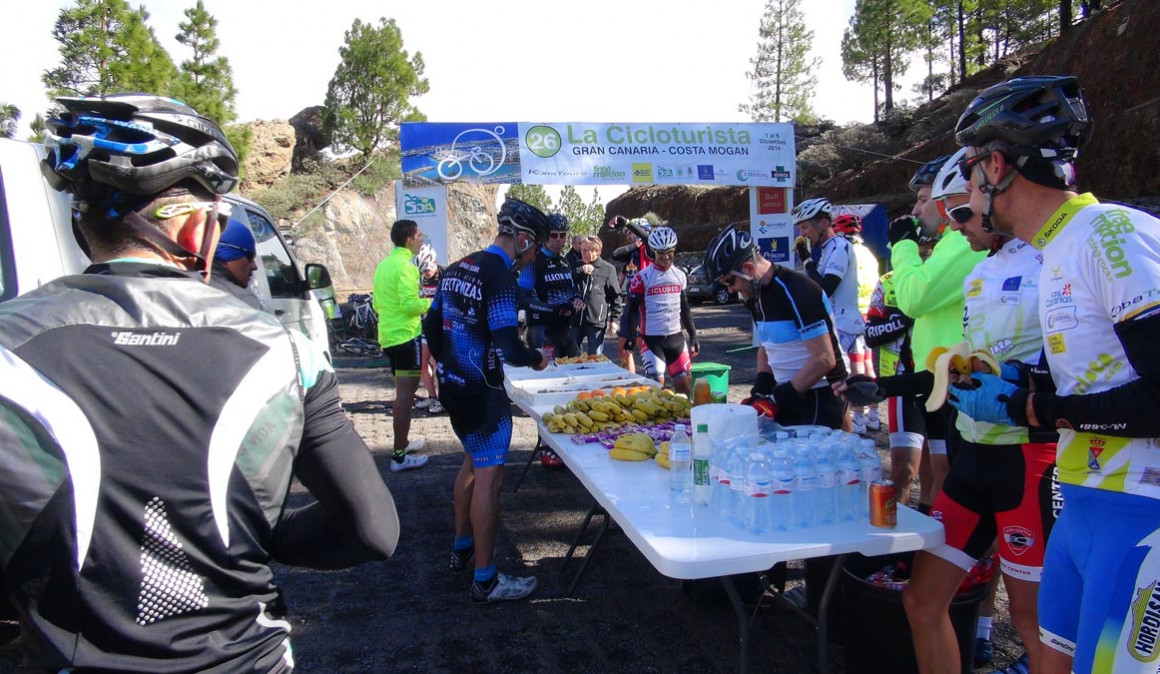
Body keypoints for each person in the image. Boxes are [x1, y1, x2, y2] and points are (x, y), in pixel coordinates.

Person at [0, 93, 399, 672]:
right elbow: (372, 530)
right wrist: (260, 532)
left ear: (83, 226)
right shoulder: (284, 350)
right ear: (194, 227)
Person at [943, 75, 1160, 674]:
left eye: (969, 172)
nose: (968, 192)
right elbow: (1101, 381)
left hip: (1138, 512)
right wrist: (1027, 386)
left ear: (995, 166)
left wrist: (1032, 409)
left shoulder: (1109, 234)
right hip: (1082, 499)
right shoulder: (1056, 249)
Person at [843, 147, 1058, 674]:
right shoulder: (983, 270)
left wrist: (1029, 393)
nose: (956, 227)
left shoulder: (1050, 259)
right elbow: (958, 367)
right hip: (975, 457)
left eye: (962, 213)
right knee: (921, 601)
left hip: (1028, 461)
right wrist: (886, 385)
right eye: (952, 216)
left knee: (1033, 624)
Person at [423, 196, 549, 604]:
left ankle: (462, 547)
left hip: (454, 389)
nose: (534, 258)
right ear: (524, 240)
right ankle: (486, 579)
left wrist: (446, 367)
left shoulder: (459, 266)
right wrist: (536, 358)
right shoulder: (500, 276)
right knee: (489, 481)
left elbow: (431, 328)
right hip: (484, 396)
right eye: (536, 248)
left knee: (470, 464)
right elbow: (509, 346)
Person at [888, 155, 988, 514]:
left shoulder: (961, 243)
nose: (916, 210)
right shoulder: (949, 243)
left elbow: (914, 298)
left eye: (923, 199)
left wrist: (903, 246)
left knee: (956, 478)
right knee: (937, 469)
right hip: (938, 378)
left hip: (958, 382)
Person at [703, 225, 849, 428]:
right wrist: (760, 390)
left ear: (749, 269)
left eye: (729, 282)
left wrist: (776, 398)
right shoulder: (753, 294)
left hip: (821, 393)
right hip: (790, 392)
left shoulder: (797, 290)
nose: (730, 290)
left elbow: (824, 359)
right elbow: (767, 345)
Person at [862, 233, 937, 507]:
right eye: (920, 251)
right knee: (904, 470)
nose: (925, 256)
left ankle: (930, 522)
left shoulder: (945, 277)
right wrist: (905, 318)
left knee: (937, 470)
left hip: (939, 382)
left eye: (929, 251)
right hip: (903, 382)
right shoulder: (888, 281)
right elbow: (871, 334)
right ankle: (899, 527)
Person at [793, 198, 864, 434]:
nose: (802, 233)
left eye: (805, 227)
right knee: (836, 391)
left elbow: (824, 289)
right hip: (834, 324)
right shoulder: (826, 250)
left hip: (843, 325)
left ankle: (845, 439)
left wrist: (806, 260)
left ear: (823, 223)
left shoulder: (840, 248)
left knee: (836, 391)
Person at [373, 219, 432, 472]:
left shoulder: (384, 265)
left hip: (389, 337)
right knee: (406, 398)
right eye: (419, 235)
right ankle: (398, 456)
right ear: (409, 239)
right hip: (407, 338)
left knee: (403, 395)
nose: (422, 239)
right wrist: (432, 302)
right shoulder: (407, 267)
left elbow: (377, 303)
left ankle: (403, 444)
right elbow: (410, 305)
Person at [622, 226, 700, 395]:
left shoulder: (680, 275)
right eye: (661, 253)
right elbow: (632, 310)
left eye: (669, 252)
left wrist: (693, 335)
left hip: (676, 339)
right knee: (657, 390)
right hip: (652, 341)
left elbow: (685, 309)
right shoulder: (642, 277)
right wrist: (631, 337)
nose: (665, 257)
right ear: (653, 252)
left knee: (685, 388)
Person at [833, 212, 882, 433]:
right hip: (868, 313)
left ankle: (858, 417)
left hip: (849, 314)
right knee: (868, 364)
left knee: (854, 366)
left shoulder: (846, 251)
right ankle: (873, 415)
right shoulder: (868, 253)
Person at [518, 212, 583, 357]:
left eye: (562, 235)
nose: (558, 239)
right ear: (544, 236)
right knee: (549, 370)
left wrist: (578, 299)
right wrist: (552, 309)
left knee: (579, 367)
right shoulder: (532, 261)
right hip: (541, 330)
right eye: (553, 235)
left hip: (564, 329)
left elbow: (572, 290)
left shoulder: (564, 261)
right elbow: (523, 298)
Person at [608, 215, 654, 373]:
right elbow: (616, 254)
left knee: (643, 346)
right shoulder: (633, 252)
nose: (627, 236)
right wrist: (635, 244)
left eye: (630, 232)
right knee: (623, 349)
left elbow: (647, 237)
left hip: (644, 304)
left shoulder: (649, 249)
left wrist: (628, 223)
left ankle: (654, 377)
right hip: (630, 304)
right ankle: (630, 380)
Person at [573, 235, 622, 356]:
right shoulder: (576, 266)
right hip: (576, 320)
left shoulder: (607, 269)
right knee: (572, 355)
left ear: (597, 251)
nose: (583, 253)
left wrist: (614, 320)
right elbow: (566, 281)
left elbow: (616, 297)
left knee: (595, 357)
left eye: (587, 250)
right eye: (582, 250)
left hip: (596, 321)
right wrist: (580, 271)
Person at [413, 242, 444, 415]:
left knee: (438, 363)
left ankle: (444, 399)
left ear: (434, 262)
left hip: (442, 327)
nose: (425, 273)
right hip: (425, 325)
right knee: (422, 363)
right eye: (422, 271)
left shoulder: (445, 273)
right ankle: (433, 398)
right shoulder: (419, 278)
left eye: (427, 269)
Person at [208, 216, 262, 310]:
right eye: (249, 257)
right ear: (224, 256)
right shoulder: (243, 302)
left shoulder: (182, 288)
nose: (254, 266)